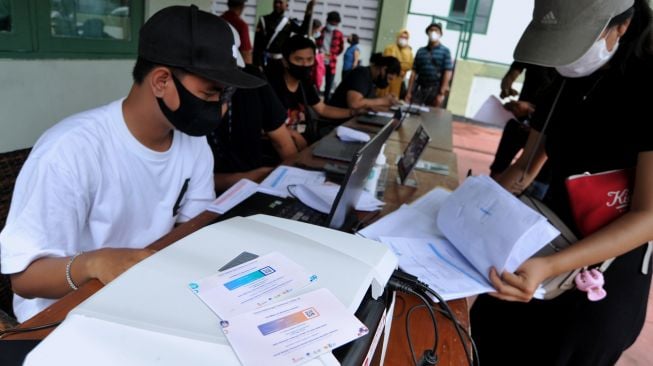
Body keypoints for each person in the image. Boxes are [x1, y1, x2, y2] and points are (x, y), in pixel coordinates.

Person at [0, 5, 264, 322]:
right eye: (211, 93)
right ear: (161, 81)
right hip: (65, 314)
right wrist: (94, 264)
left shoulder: (192, 143)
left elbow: (190, 227)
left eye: (226, 95)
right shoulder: (70, 150)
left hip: (147, 292)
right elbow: (25, 279)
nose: (220, 108)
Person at [471, 1, 653, 365]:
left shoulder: (646, 87)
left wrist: (551, 268)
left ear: (623, 25)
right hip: (540, 245)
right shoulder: (564, 82)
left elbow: (648, 216)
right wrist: (468, 208)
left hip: (603, 275)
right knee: (486, 331)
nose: (565, 58)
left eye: (577, 41)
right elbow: (523, 171)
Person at [208, 28, 297, 192]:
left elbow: (281, 141)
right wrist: (245, 179)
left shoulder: (253, 79)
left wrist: (295, 181)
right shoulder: (180, 109)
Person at [268, 35, 355, 148]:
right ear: (285, 62)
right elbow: (266, 127)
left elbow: (322, 109)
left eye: (309, 60)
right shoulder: (271, 85)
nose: (305, 65)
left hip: (304, 145)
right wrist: (294, 136)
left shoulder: (304, 83)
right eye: (299, 60)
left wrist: (353, 112)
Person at [490, 61, 557, 199]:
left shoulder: (572, 71)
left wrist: (531, 110)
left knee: (536, 182)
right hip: (519, 124)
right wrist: (506, 86)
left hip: (545, 132)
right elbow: (513, 71)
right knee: (499, 169)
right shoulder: (536, 51)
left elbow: (559, 112)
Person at [253, 0, 315, 73]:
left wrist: (308, 12)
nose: (277, 5)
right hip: (264, 61)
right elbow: (257, 45)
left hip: (281, 63)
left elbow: (303, 32)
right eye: (276, 2)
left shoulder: (288, 23)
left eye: (280, 3)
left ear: (286, 6)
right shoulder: (264, 20)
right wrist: (257, 64)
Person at [327, 53, 400, 111]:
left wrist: (389, 101)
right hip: (335, 124)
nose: (388, 82)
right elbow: (354, 103)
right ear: (384, 69)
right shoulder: (361, 73)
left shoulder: (372, 81)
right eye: (389, 78)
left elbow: (368, 103)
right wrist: (382, 101)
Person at [406, 23, 453, 107]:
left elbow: (448, 72)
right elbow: (414, 72)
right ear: (427, 33)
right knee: (414, 114)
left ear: (440, 34)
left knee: (431, 116)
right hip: (420, 89)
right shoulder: (420, 51)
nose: (433, 32)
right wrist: (409, 92)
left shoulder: (445, 51)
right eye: (431, 30)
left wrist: (441, 93)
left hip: (435, 90)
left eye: (436, 30)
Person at [316, 11, 345, 101]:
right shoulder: (320, 31)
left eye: (335, 24)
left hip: (331, 62)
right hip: (320, 60)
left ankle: (326, 100)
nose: (333, 26)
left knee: (329, 83)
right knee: (317, 80)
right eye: (331, 23)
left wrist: (333, 55)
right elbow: (315, 43)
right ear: (327, 21)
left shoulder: (339, 34)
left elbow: (341, 48)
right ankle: (315, 98)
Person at [377, 29, 413, 99]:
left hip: (398, 81)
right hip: (386, 78)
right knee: (382, 97)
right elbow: (388, 62)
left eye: (406, 38)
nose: (403, 39)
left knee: (393, 99)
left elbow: (409, 65)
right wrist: (400, 68)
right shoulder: (389, 48)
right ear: (397, 37)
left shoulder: (409, 52)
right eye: (401, 37)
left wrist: (398, 65)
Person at [221, 0, 253, 65]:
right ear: (242, 6)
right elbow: (246, 53)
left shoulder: (219, 20)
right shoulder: (241, 25)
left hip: (217, 61)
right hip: (234, 65)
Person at [310, 19, 326, 90]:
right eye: (319, 30)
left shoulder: (312, 38)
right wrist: (320, 56)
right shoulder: (309, 38)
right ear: (315, 28)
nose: (319, 32)